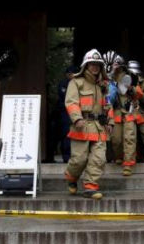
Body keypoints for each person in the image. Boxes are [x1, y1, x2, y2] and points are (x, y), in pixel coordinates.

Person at [64, 49, 113, 199]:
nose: (95, 67)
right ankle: (71, 178)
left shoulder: (103, 85)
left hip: (99, 127)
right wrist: (77, 118)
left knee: (98, 159)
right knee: (79, 159)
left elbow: (108, 105)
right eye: (91, 64)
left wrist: (111, 121)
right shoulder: (76, 82)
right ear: (85, 65)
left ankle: (90, 187)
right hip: (82, 125)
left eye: (97, 64)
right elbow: (71, 102)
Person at [110, 54, 138, 176]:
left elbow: (124, 90)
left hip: (128, 111)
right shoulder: (107, 76)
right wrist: (111, 74)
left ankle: (128, 164)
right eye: (114, 64)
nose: (116, 66)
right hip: (115, 112)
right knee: (116, 139)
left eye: (118, 64)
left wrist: (131, 89)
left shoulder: (128, 76)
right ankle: (119, 156)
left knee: (129, 138)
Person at [57, 65, 78, 163]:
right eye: (69, 74)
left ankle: (76, 156)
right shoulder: (63, 84)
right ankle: (66, 156)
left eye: (72, 74)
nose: (70, 76)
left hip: (78, 112)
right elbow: (63, 97)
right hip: (65, 113)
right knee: (66, 134)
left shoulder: (79, 83)